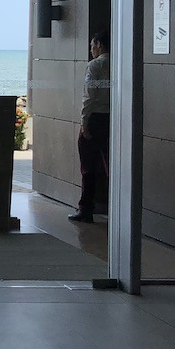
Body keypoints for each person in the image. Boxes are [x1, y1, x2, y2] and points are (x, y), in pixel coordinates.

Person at [69, 30, 110, 224]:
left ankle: (86, 209)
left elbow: (89, 97)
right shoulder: (120, 63)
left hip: (95, 119)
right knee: (112, 166)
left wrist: (84, 123)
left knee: (88, 168)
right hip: (114, 119)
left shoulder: (94, 66)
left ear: (99, 45)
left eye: (93, 45)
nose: (91, 49)